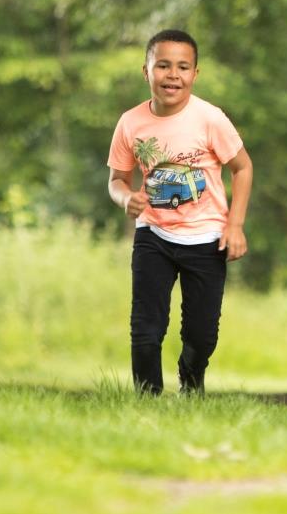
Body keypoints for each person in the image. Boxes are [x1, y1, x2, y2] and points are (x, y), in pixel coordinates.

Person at [108, 29, 254, 395]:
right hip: (153, 235)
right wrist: (126, 198)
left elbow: (243, 167)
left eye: (183, 67)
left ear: (194, 74)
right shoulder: (130, 123)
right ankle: (147, 399)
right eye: (163, 66)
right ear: (146, 71)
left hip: (206, 238)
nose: (173, 75)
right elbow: (116, 180)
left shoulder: (210, 119)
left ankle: (191, 380)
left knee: (202, 333)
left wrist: (234, 225)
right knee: (145, 326)